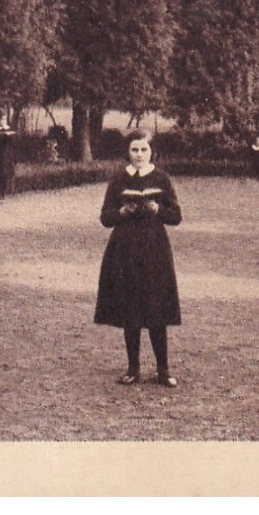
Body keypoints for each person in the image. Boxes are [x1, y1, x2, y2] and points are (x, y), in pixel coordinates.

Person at [95, 131, 182, 387]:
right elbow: (105, 217)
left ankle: (163, 369)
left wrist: (159, 210)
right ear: (128, 152)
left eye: (144, 150)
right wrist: (121, 211)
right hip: (125, 249)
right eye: (135, 150)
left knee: (156, 306)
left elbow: (176, 216)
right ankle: (133, 367)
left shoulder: (161, 178)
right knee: (130, 306)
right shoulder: (119, 179)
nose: (139, 155)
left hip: (154, 247)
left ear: (151, 151)